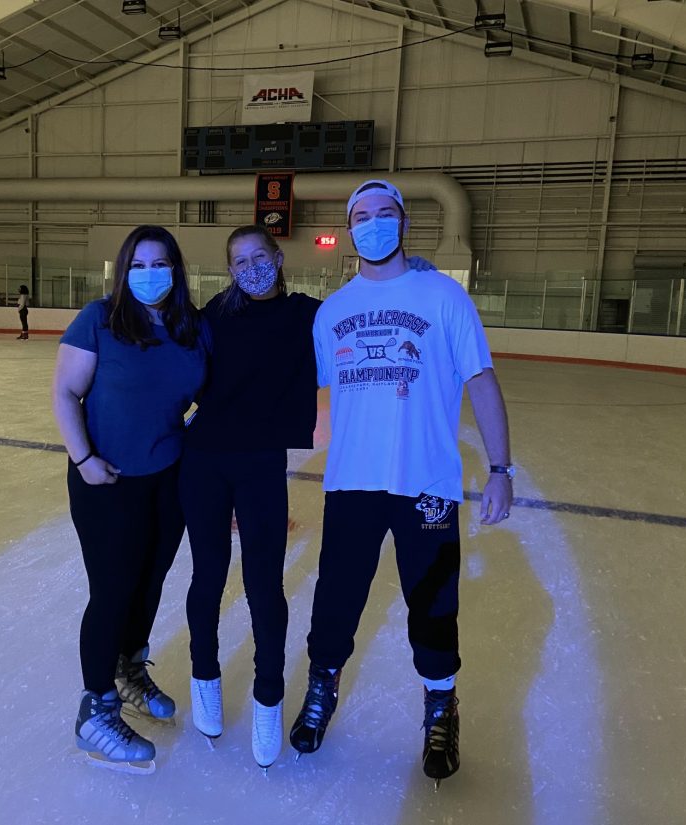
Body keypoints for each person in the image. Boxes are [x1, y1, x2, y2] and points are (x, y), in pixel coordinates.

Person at [290, 180, 514, 790]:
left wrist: (500, 469)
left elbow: (481, 379)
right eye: (361, 216)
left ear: (404, 222)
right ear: (350, 228)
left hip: (428, 484)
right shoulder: (332, 311)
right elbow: (292, 393)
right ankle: (321, 686)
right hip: (353, 483)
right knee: (336, 599)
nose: (372, 224)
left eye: (383, 213)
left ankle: (441, 706)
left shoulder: (443, 296)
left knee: (434, 605)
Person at [52, 225, 208, 772]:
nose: (149, 275)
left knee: (149, 585)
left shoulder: (193, 328)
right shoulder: (100, 319)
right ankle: (95, 711)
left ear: (176, 269)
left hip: (167, 479)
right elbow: (66, 392)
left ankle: (129, 666)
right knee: (113, 591)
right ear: (124, 271)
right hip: (107, 480)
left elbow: (215, 395)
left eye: (159, 263)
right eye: (138, 265)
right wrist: (83, 459)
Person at [180, 225, 320, 770]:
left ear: (279, 258)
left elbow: (365, 310)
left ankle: (267, 697)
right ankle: (205, 676)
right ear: (230, 268)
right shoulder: (217, 312)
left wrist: (419, 277)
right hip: (204, 459)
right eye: (239, 261)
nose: (250, 268)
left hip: (261, 463)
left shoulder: (305, 313)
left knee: (264, 584)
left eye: (259, 256)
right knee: (208, 575)